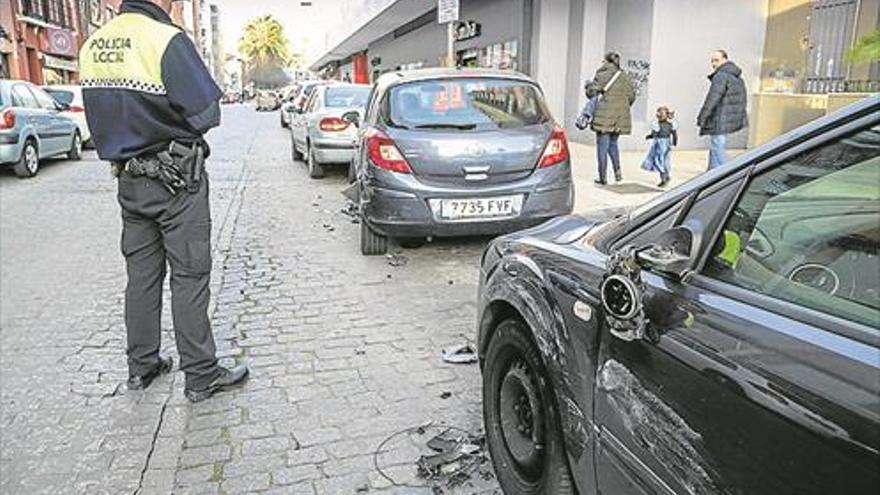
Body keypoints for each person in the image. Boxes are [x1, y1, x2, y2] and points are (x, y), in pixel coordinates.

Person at [79, 0, 248, 402]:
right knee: (189, 275)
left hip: (130, 180)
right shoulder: (165, 39)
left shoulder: (93, 45)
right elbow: (206, 113)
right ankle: (202, 375)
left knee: (141, 277)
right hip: (176, 181)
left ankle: (142, 367)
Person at [585, 52, 636, 185]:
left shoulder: (602, 74)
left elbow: (592, 93)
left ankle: (603, 177)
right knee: (613, 145)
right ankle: (617, 172)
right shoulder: (625, 76)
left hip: (604, 117)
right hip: (619, 117)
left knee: (602, 147)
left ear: (606, 61)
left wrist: (588, 86)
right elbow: (631, 96)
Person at [697, 49, 748, 169]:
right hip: (727, 117)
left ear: (725, 59)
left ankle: (728, 171)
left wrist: (702, 116)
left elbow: (712, 98)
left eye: (716, 60)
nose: (714, 64)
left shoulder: (721, 76)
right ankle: (711, 171)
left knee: (717, 146)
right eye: (712, 61)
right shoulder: (736, 76)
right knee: (716, 145)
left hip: (719, 117)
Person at [641, 106, 678, 187]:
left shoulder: (657, 125)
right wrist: (674, 142)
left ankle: (664, 178)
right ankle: (666, 175)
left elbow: (654, 134)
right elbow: (674, 134)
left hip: (660, 144)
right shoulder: (671, 124)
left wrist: (649, 136)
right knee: (665, 160)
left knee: (659, 160)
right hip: (667, 143)